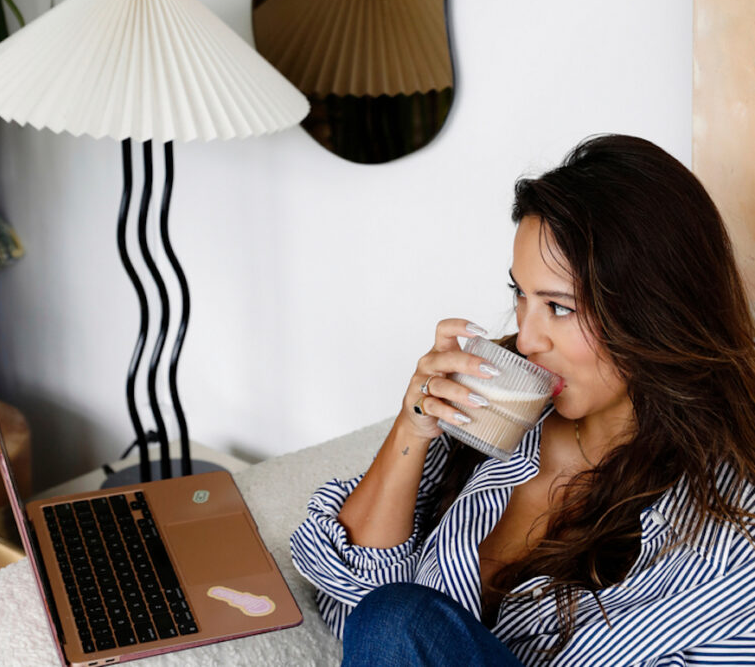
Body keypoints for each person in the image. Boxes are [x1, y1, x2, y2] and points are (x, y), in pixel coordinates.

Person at [290, 135, 755, 665]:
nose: (528, 338)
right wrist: (410, 432)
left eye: (559, 307)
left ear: (654, 307)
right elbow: (354, 590)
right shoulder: (505, 403)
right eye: (520, 295)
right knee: (395, 618)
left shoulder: (724, 526)